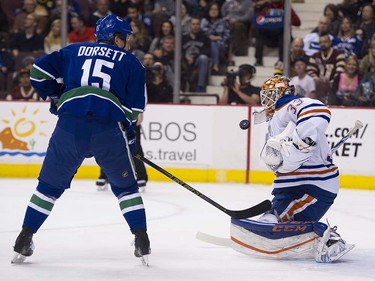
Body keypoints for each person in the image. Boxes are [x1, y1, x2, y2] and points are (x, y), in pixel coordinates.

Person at [11, 14, 151, 265]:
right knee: (126, 188)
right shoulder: (133, 63)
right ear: (116, 37)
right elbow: (133, 112)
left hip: (69, 127)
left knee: (48, 188)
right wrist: (127, 136)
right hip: (107, 131)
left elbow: (38, 71)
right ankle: (141, 238)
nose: (129, 41)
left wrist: (56, 96)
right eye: (126, 36)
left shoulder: (73, 50)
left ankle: (24, 237)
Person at [231, 75, 354, 263]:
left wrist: (301, 142)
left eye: (271, 94)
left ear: (283, 93)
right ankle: (274, 226)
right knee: (272, 218)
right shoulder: (276, 117)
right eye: (265, 95)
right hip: (292, 185)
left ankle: (329, 239)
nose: (266, 99)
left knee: (284, 219)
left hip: (314, 185)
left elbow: (317, 109)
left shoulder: (289, 106)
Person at [307, 32, 346, 102]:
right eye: (320, 42)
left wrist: (332, 83)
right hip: (318, 87)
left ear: (330, 42)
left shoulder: (338, 54)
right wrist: (317, 80)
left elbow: (340, 71)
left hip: (334, 88)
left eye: (325, 42)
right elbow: (310, 71)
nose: (322, 44)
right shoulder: (314, 56)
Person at [181, 17, 211, 93]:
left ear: (200, 25)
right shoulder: (183, 38)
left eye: (197, 24)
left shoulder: (204, 38)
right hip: (185, 62)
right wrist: (186, 58)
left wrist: (194, 58)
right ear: (190, 25)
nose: (195, 26)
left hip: (198, 62)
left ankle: (200, 87)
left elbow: (207, 51)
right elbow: (180, 51)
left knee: (203, 58)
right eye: (193, 24)